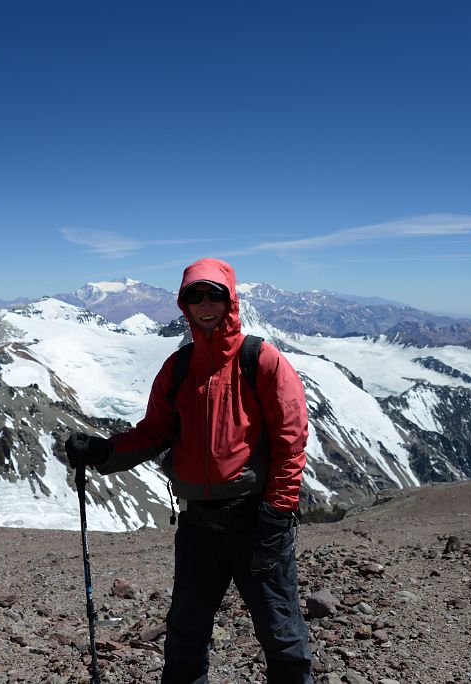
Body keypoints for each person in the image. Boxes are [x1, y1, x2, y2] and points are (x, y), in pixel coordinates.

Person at [66, 257, 312, 684]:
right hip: (198, 524)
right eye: (194, 296)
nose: (205, 304)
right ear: (184, 305)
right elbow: (154, 432)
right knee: (185, 636)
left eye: (213, 295)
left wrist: (278, 509)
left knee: (281, 636)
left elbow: (291, 438)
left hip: (256, 520)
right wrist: (104, 452)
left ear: (229, 300)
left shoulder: (261, 360)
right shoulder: (178, 368)